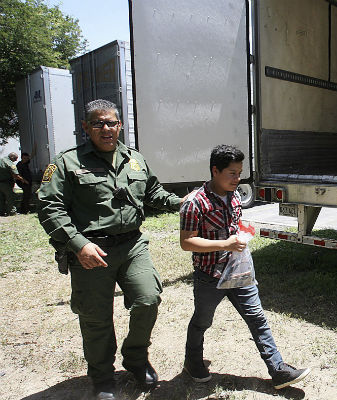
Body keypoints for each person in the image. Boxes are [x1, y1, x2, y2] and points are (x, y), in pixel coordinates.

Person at [37, 99, 185, 400]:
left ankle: (135, 357)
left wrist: (184, 203)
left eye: (111, 123)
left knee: (147, 298)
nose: (106, 128)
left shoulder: (134, 159)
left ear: (120, 125)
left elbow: (153, 192)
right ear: (86, 127)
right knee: (96, 316)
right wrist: (78, 245)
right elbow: (49, 207)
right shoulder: (67, 162)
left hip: (132, 245)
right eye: (98, 123)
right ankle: (102, 376)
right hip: (91, 251)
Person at [179, 145, 311, 390]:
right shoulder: (195, 203)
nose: (237, 179)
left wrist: (242, 232)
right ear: (215, 170)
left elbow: (234, 225)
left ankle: (278, 370)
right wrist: (225, 243)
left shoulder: (236, 195)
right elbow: (187, 242)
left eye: (239, 173)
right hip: (210, 276)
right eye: (232, 173)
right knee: (202, 321)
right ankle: (192, 361)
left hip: (239, 272)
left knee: (257, 318)